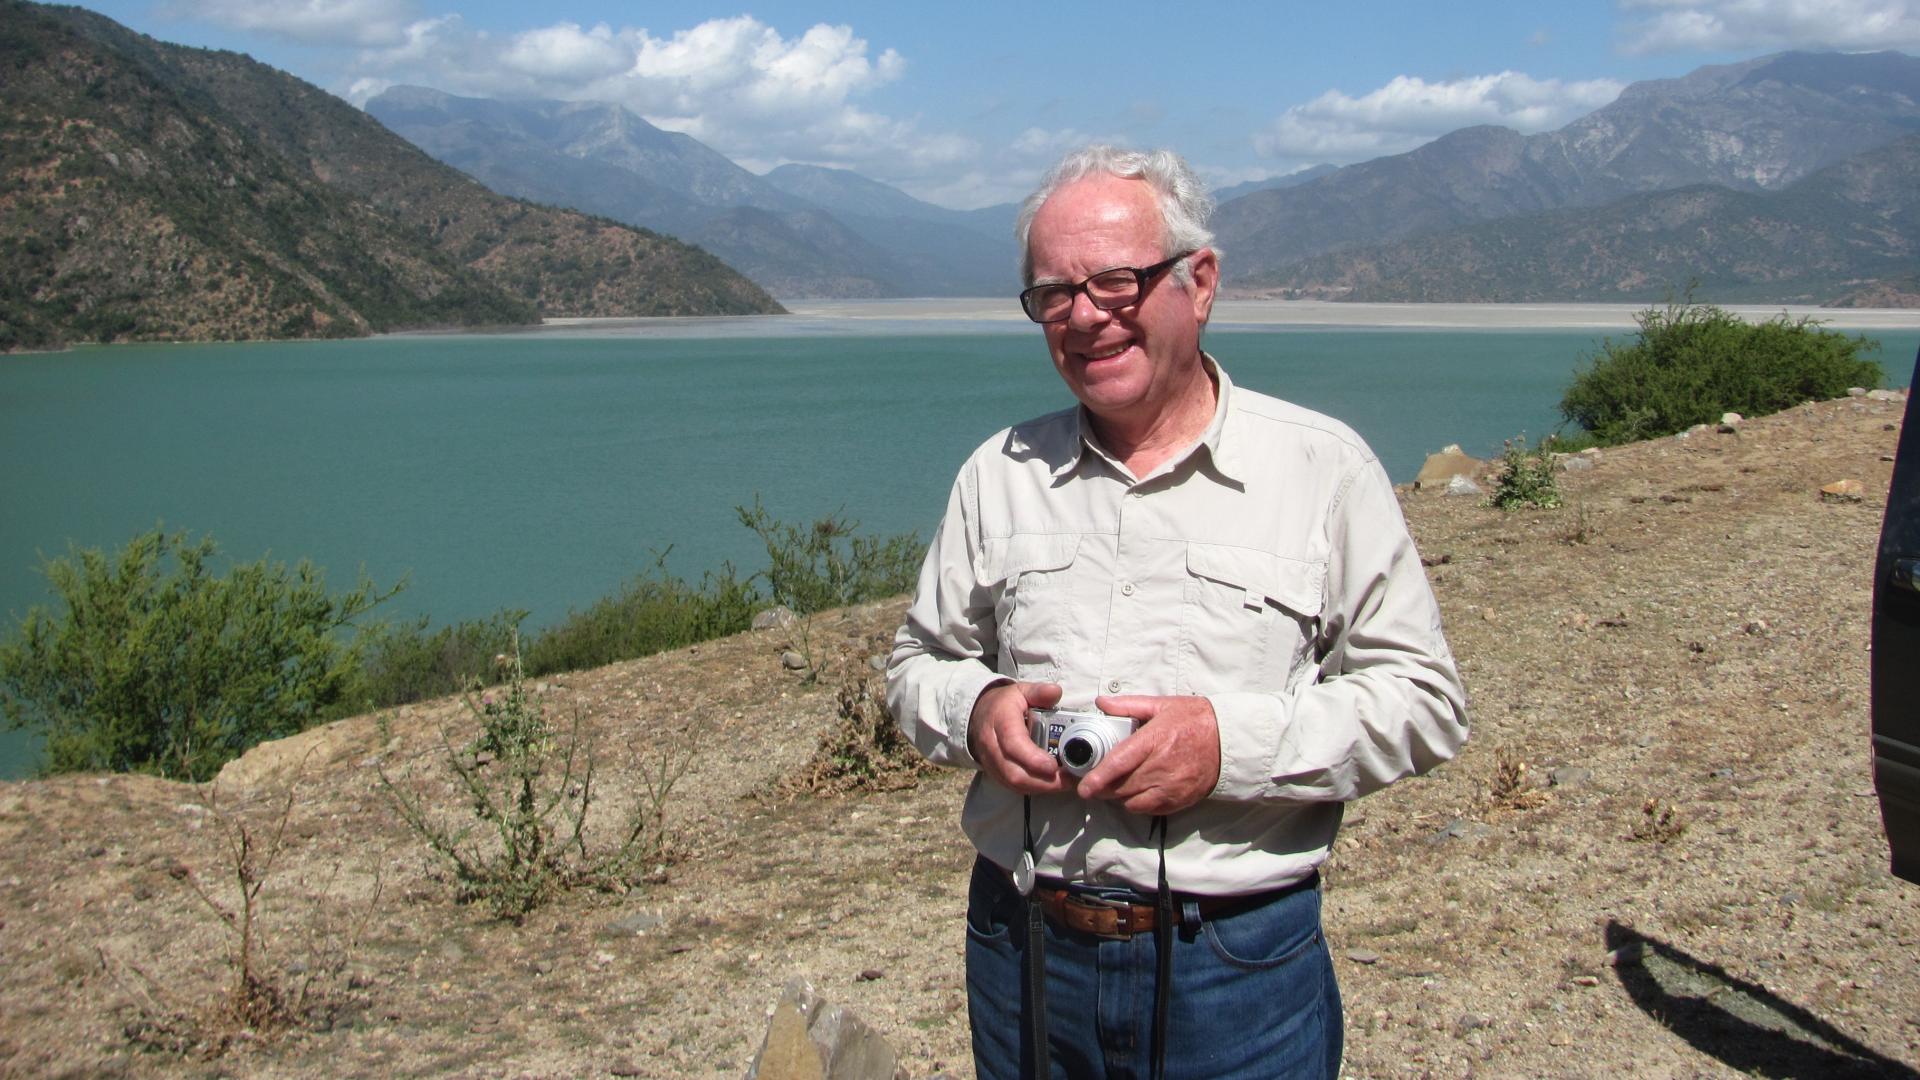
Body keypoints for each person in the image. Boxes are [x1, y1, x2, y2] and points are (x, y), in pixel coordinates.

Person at [885, 145, 1469, 1080]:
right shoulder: (999, 475)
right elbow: (916, 663)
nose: (1085, 317)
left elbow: (1425, 700)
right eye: (1053, 294)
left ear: (1199, 284)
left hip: (1234, 967)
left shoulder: (1321, 469)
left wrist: (1227, 747)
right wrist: (978, 710)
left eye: (1115, 282)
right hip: (1021, 949)